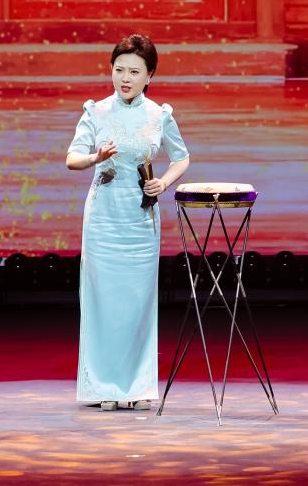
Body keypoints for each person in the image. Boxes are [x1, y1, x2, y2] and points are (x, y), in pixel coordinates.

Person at [65, 34, 190, 411]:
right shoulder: (96, 112)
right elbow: (72, 158)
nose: (125, 78)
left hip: (140, 218)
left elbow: (181, 157)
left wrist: (163, 183)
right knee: (103, 301)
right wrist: (95, 158)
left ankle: (136, 386)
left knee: (138, 302)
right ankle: (102, 386)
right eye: (119, 70)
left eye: (134, 72)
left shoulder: (159, 115)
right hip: (104, 217)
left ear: (149, 75)